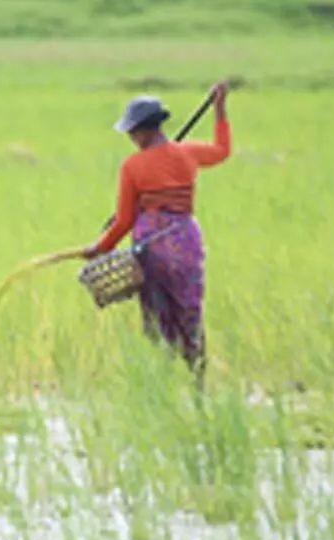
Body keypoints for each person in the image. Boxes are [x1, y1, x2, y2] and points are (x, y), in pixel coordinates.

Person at [82, 82, 231, 386]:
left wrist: (101, 247)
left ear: (147, 130)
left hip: (151, 248)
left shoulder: (132, 166)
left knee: (157, 316)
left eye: (133, 131)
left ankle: (162, 378)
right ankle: (197, 381)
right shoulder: (187, 154)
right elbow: (222, 151)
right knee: (189, 309)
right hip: (186, 240)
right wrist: (220, 109)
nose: (131, 137)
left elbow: (124, 220)